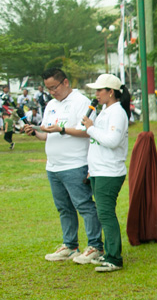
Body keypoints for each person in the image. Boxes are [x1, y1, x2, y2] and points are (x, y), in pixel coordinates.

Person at [24, 68, 104, 264]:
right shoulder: (51, 105)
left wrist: (61, 129)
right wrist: (34, 132)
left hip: (75, 163)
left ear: (65, 82)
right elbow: (47, 134)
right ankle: (70, 246)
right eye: (48, 88)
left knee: (84, 205)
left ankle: (95, 246)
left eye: (55, 87)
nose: (52, 92)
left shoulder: (81, 102)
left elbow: (87, 131)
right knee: (64, 208)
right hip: (53, 166)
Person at [81, 74, 130, 273]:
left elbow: (112, 141)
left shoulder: (117, 113)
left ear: (111, 92)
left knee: (106, 214)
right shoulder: (104, 111)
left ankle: (114, 258)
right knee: (103, 214)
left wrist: (91, 129)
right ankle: (109, 252)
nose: (96, 94)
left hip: (109, 172)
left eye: (100, 90)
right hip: (99, 170)